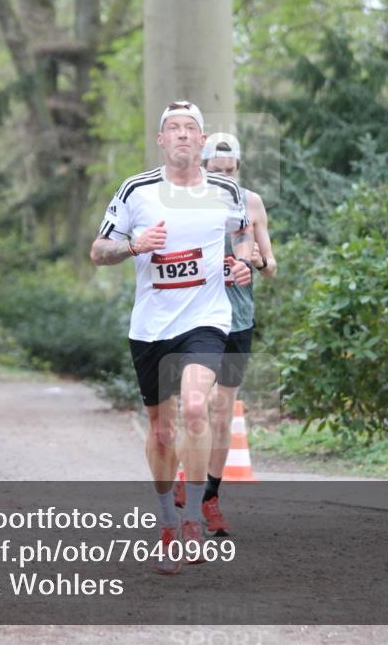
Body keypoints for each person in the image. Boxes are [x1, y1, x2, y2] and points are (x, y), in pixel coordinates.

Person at [90, 101, 254, 574]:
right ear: (161, 140)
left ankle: (194, 523)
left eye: (191, 129)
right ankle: (166, 524)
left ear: (202, 141)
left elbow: (242, 235)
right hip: (151, 327)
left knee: (198, 407)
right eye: (173, 129)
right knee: (162, 432)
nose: (183, 135)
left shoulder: (225, 190)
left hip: (206, 317)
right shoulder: (136, 190)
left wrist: (241, 261)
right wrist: (133, 246)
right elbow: (98, 251)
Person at [199, 132, 277, 536]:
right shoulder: (187, 204)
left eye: (230, 171)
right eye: (216, 172)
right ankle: (183, 481)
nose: (223, 178)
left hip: (239, 319)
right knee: (197, 402)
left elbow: (272, 265)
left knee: (222, 408)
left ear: (239, 170)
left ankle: (210, 496)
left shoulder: (252, 203)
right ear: (202, 168)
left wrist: (259, 261)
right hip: (195, 318)